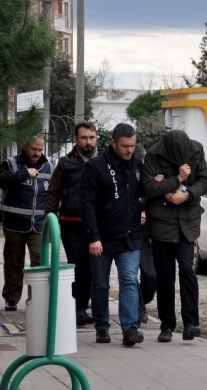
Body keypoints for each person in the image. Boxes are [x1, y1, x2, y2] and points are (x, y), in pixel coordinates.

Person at [80, 123, 145, 346]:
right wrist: (93, 237)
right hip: (102, 237)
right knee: (100, 284)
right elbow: (86, 204)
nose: (129, 150)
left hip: (129, 236)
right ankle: (102, 326)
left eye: (133, 146)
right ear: (113, 143)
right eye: (125, 146)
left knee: (129, 280)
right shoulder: (96, 166)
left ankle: (130, 328)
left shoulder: (137, 164)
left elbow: (143, 193)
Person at [142, 130, 207, 343]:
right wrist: (177, 179)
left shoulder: (196, 149)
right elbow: (150, 187)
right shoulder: (154, 154)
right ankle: (167, 324)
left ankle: (191, 323)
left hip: (188, 222)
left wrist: (187, 194)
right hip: (162, 223)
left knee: (187, 269)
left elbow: (205, 181)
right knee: (165, 275)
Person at [45, 121, 98, 326]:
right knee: (79, 264)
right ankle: (78, 308)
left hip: (96, 224)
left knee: (94, 267)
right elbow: (53, 191)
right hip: (71, 223)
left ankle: (86, 305)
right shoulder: (65, 163)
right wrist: (50, 219)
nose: (88, 142)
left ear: (96, 138)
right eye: (84, 138)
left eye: (91, 137)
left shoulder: (103, 161)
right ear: (76, 139)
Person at [0, 136, 52, 312]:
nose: (37, 153)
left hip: (38, 225)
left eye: (40, 150)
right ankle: (11, 298)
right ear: (25, 147)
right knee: (14, 262)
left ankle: (37, 298)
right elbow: (3, 181)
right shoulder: (11, 164)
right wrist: (25, 173)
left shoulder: (50, 168)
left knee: (39, 261)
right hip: (14, 223)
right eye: (33, 149)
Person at [134, 143, 156, 325]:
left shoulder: (152, 176)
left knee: (151, 276)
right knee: (129, 274)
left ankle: (139, 302)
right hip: (131, 231)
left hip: (150, 231)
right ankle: (138, 309)